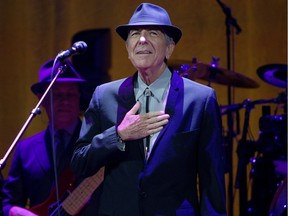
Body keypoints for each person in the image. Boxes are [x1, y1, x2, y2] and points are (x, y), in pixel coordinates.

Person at [71, 3, 227, 216]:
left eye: (152, 33)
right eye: (135, 34)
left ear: (169, 47)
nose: (142, 40)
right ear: (127, 48)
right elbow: (80, 163)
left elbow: (212, 180)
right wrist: (118, 135)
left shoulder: (200, 99)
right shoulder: (104, 96)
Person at [2, 58, 86, 216]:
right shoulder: (25, 149)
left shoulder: (95, 142)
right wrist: (16, 212)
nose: (65, 101)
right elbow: (7, 203)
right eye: (57, 95)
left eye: (70, 95)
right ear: (42, 99)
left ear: (79, 97)